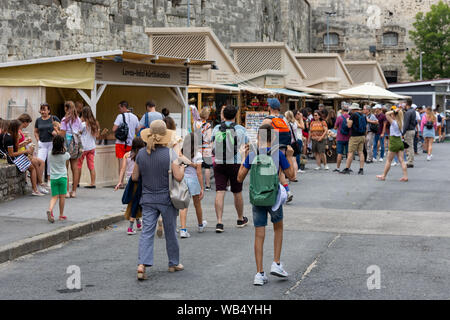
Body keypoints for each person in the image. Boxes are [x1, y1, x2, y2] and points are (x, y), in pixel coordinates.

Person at [237, 124, 295, 285]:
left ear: (258, 136)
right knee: (278, 227)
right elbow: (292, 175)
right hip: (274, 197)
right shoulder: (278, 154)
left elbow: (239, 178)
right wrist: (289, 156)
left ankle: (259, 273)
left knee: (259, 234)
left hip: (257, 197)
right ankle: (276, 263)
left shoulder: (253, 153)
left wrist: (244, 156)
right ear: (273, 137)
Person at [133, 120, 185, 280]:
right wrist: (182, 166)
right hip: (167, 199)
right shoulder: (171, 154)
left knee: (147, 232)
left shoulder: (141, 153)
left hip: (147, 198)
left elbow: (135, 177)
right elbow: (178, 176)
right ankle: (173, 263)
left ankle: (142, 265)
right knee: (171, 231)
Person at [212, 105, 249, 233]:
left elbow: (212, 143)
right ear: (235, 115)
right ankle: (240, 219)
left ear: (223, 115)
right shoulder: (241, 129)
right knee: (237, 191)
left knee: (220, 191)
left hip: (219, 162)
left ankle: (219, 222)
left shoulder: (216, 128)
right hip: (235, 163)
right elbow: (246, 145)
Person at [261, 98, 294, 202]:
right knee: (279, 172)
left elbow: (262, 136)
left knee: (269, 172)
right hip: (283, 149)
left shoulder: (267, 120)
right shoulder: (283, 119)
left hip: (272, 148)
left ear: (269, 107)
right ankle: (287, 191)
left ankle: (273, 194)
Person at [0, 120, 42, 196]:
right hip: (13, 159)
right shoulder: (9, 138)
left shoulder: (8, 135)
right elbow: (11, 154)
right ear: (15, 128)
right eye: (19, 128)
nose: (20, 130)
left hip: (13, 157)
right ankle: (35, 189)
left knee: (33, 163)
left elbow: (15, 148)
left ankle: (36, 187)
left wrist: (24, 143)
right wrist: (26, 151)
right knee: (32, 168)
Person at [178, 133, 207, 238]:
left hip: (183, 179)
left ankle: (183, 229)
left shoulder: (180, 153)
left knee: (183, 205)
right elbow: (199, 173)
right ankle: (200, 225)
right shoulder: (197, 155)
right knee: (197, 204)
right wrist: (202, 187)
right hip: (194, 180)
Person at [115, 137, 146, 234]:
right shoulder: (143, 155)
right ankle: (131, 226)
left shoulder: (127, 155)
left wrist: (120, 181)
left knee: (133, 201)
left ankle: (138, 223)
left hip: (129, 181)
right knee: (137, 201)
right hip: (140, 180)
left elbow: (123, 169)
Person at [18, 113, 48, 193]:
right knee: (35, 163)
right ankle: (38, 184)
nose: (28, 125)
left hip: (25, 152)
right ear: (25, 122)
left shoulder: (20, 130)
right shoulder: (18, 130)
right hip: (22, 153)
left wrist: (27, 142)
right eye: (28, 123)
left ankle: (39, 183)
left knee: (41, 161)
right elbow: (17, 145)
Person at [376, 107, 408, 182]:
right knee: (402, 160)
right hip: (400, 141)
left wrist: (394, 111)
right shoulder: (401, 122)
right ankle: (405, 176)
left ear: (394, 115)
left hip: (393, 141)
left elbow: (386, 114)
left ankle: (383, 175)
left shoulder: (394, 122)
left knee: (389, 160)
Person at [113, 101, 140, 186]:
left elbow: (114, 129)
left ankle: (121, 182)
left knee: (121, 162)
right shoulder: (135, 117)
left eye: (119, 108)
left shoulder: (120, 116)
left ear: (124, 107)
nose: (119, 110)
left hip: (120, 143)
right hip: (131, 143)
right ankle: (130, 180)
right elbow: (138, 129)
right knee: (130, 162)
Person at [59, 101, 82, 198]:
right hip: (76, 144)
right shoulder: (78, 119)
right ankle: (74, 191)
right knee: (75, 168)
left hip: (67, 144)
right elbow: (80, 131)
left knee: (65, 168)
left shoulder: (64, 120)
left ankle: (67, 191)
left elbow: (62, 133)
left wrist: (57, 131)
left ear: (66, 108)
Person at [46, 135, 71, 223]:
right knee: (62, 197)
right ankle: (61, 215)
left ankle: (50, 209)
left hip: (53, 178)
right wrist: (64, 148)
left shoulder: (50, 154)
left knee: (54, 197)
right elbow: (68, 157)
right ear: (62, 144)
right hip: (63, 177)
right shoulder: (65, 155)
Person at [34, 103, 61, 184]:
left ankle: (49, 180)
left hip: (52, 143)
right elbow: (35, 132)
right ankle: (40, 181)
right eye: (41, 110)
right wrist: (38, 140)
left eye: (44, 110)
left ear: (49, 110)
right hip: (42, 143)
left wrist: (56, 131)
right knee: (40, 162)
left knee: (50, 162)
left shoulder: (54, 118)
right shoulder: (38, 120)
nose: (43, 112)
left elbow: (61, 129)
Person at [341, 103, 366, 175]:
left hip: (354, 136)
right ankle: (361, 169)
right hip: (362, 136)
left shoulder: (353, 115)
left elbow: (349, 126)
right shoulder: (363, 115)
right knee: (361, 152)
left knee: (350, 152)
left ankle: (347, 168)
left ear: (353, 109)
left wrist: (348, 120)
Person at [77, 106, 99, 188]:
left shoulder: (83, 124)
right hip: (92, 147)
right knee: (91, 166)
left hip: (83, 147)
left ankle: (77, 182)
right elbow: (96, 135)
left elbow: (78, 133)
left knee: (78, 165)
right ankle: (93, 183)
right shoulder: (95, 123)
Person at [196, 107, 213, 191]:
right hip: (206, 148)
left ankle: (198, 185)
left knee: (198, 166)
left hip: (198, 147)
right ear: (207, 116)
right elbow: (209, 138)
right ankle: (207, 186)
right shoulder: (208, 125)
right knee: (207, 167)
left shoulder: (196, 124)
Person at [333, 104, 351, 172]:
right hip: (348, 138)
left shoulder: (339, 118)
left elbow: (335, 127)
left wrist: (339, 127)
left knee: (339, 153)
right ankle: (347, 167)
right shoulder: (350, 117)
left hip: (340, 137)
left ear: (342, 110)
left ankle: (338, 168)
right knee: (348, 153)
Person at [284, 111, 299, 180]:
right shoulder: (295, 123)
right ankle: (294, 176)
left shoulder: (286, 123)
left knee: (288, 159)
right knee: (294, 160)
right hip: (295, 142)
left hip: (289, 143)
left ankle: (290, 175)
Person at [402, 100, 417, 168]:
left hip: (408, 130)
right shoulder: (413, 111)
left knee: (409, 146)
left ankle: (410, 162)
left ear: (406, 104)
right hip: (412, 130)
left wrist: (403, 132)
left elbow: (406, 123)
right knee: (411, 146)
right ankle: (410, 160)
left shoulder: (408, 112)